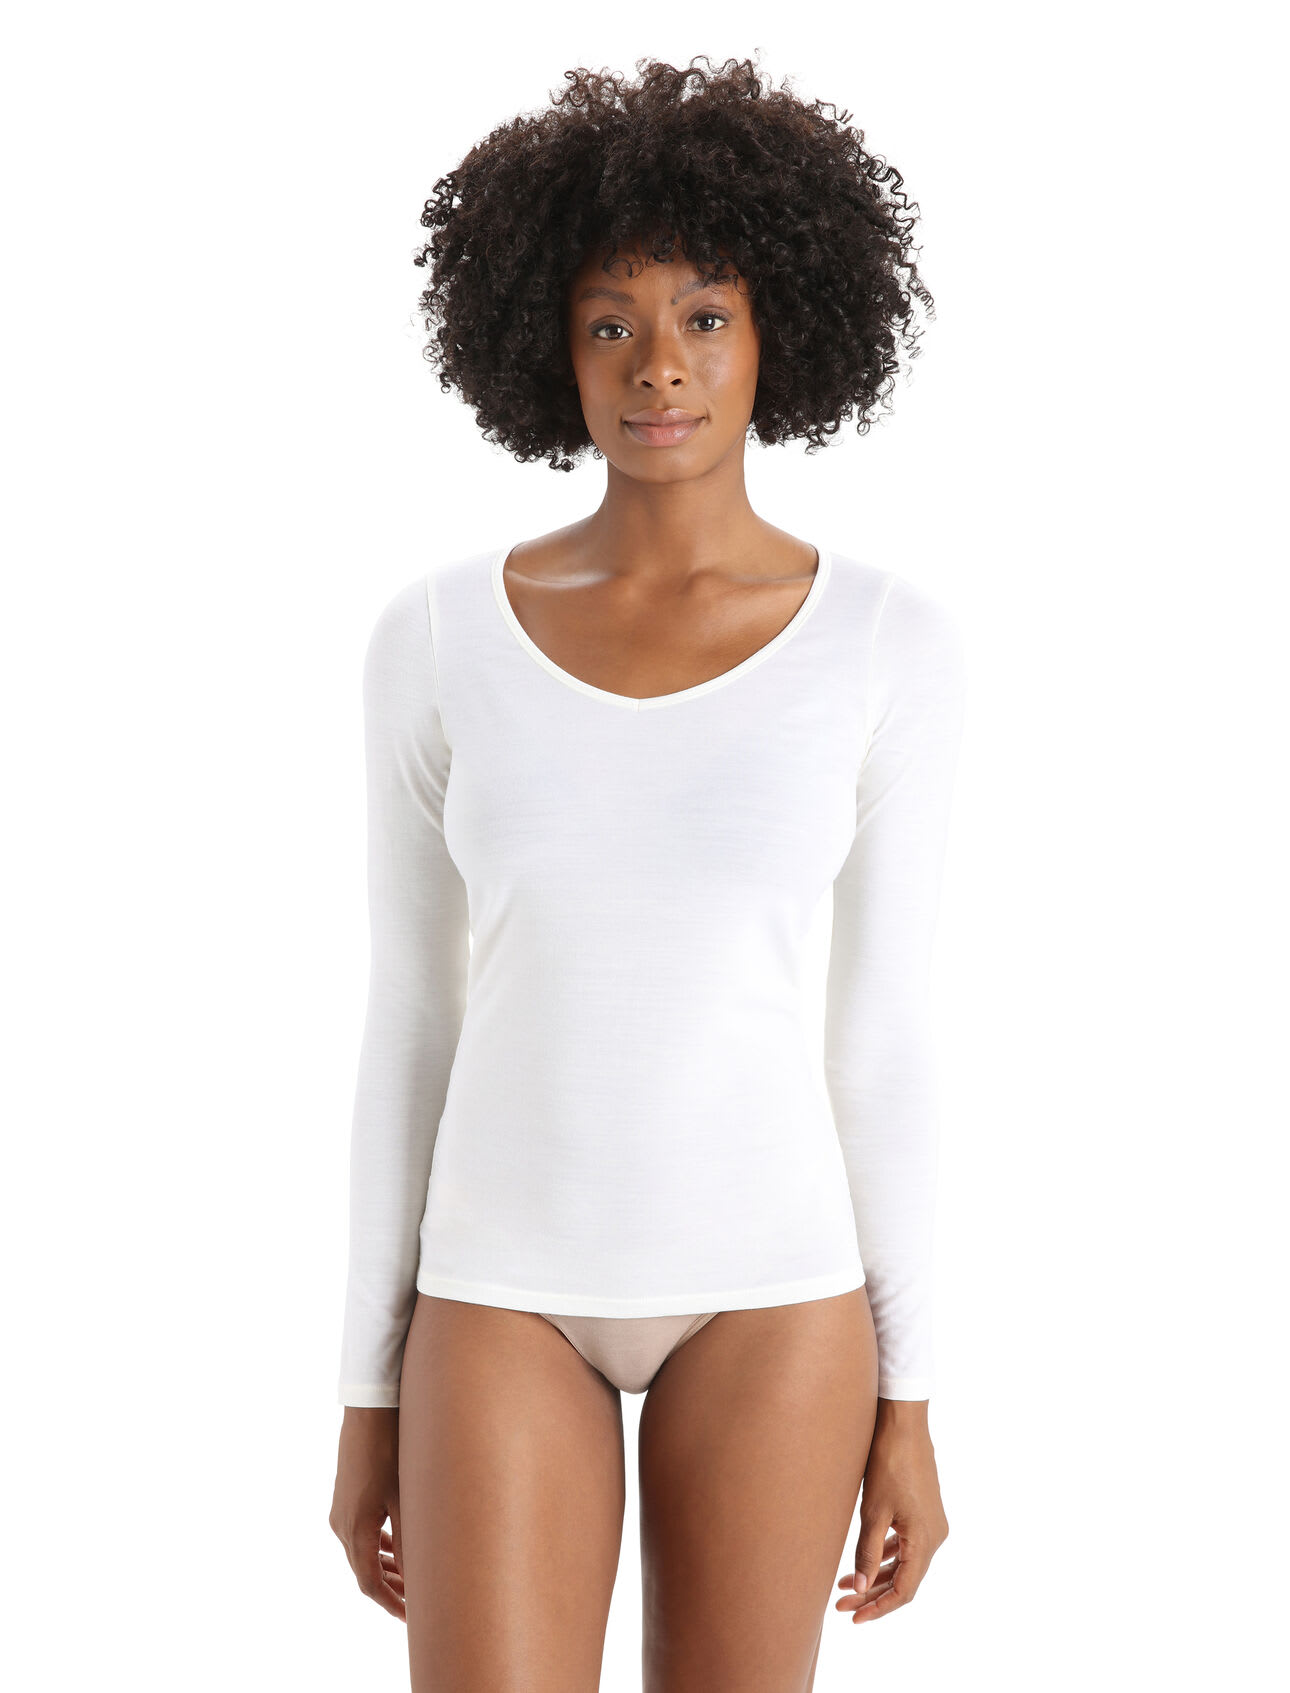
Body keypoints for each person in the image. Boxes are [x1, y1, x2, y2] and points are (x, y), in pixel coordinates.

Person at [329, 54, 966, 1692]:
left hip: (774, 1297)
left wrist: (911, 1394)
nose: (658, 364)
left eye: (703, 316)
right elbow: (412, 1019)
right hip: (498, 1294)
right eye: (608, 322)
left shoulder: (884, 643)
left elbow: (885, 1034)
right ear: (548, 349)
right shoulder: (435, 638)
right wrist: (365, 1388)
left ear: (776, 333)